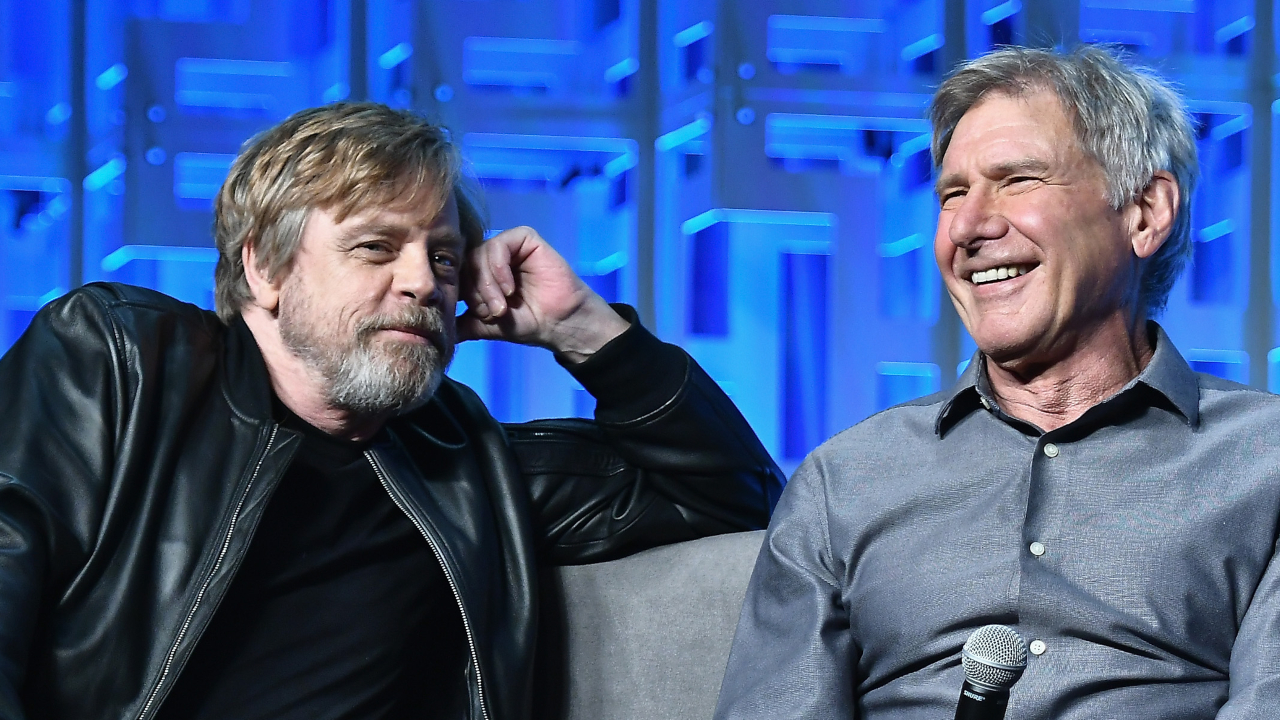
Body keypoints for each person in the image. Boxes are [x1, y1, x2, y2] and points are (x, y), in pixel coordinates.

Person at [0, 102, 784, 720]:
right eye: (376, 247)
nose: (424, 281)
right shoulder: (122, 361)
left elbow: (737, 501)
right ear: (265, 268)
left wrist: (585, 330)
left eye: (443, 256)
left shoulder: (469, 468)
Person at [715, 45, 1280, 719]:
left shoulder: (1264, 460)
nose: (970, 226)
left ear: (1144, 213)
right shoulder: (845, 483)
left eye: (1018, 180)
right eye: (953, 193)